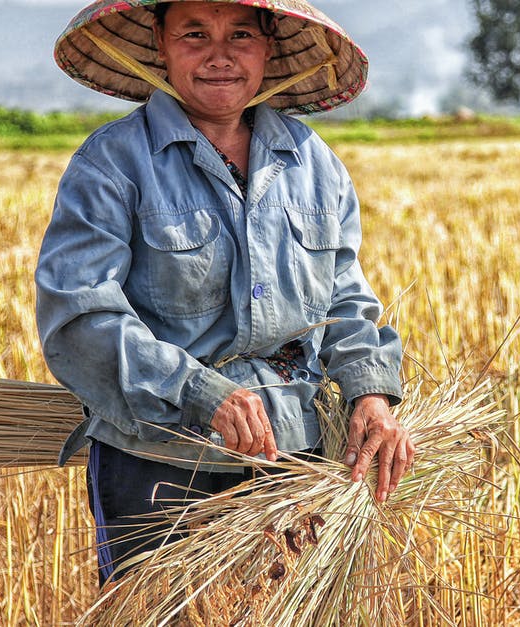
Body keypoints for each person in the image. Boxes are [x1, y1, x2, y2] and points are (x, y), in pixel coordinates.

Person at [36, 0, 413, 585]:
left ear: (269, 48)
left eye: (240, 33)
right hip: (159, 459)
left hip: (295, 453)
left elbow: (346, 298)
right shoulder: (112, 164)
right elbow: (78, 317)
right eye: (194, 34)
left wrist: (371, 394)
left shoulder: (313, 163)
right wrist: (199, 390)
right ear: (160, 45)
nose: (220, 55)